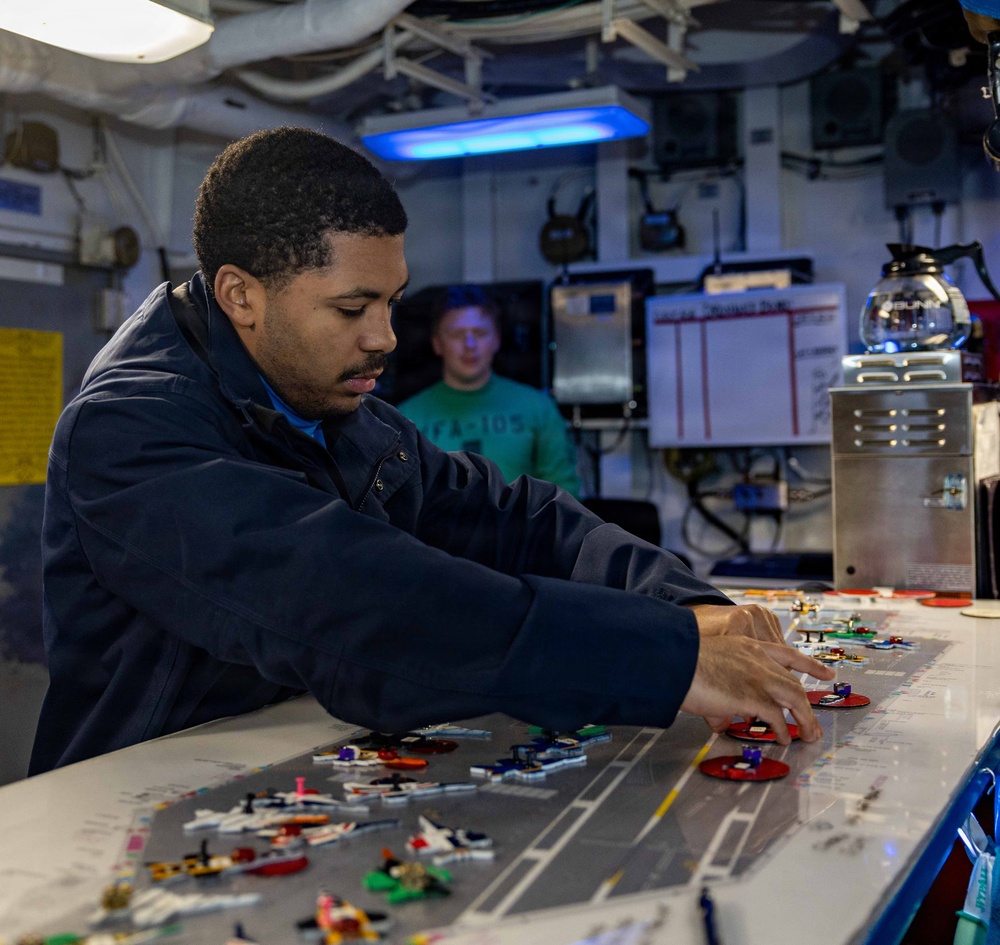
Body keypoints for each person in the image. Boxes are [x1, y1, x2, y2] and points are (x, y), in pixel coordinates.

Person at [29, 126, 833, 775]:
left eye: (393, 301)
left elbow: (514, 518)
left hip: (284, 775)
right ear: (242, 294)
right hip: (127, 811)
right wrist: (664, 660)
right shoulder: (131, 431)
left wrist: (682, 607)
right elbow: (355, 595)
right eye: (353, 306)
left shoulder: (331, 399)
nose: (384, 337)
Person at [397, 286, 580, 496]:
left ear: (497, 340)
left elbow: (565, 495)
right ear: (437, 344)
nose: (469, 344)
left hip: (518, 529)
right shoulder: (405, 418)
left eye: (480, 333)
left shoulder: (538, 409)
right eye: (457, 334)